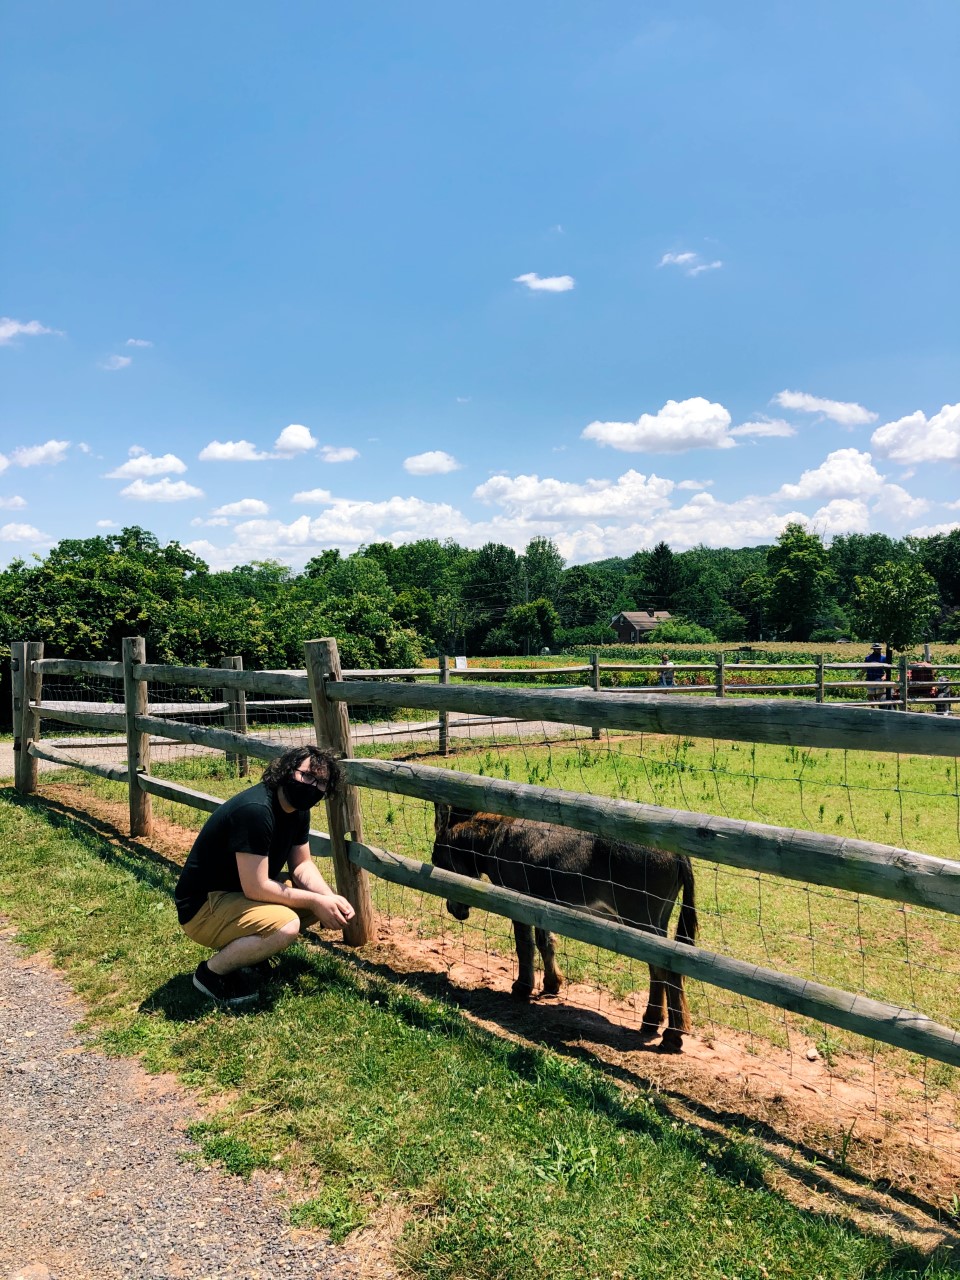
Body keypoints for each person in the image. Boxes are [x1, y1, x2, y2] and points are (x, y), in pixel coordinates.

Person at [175, 745, 356, 1005]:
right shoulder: (257, 810)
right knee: (287, 924)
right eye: (307, 776)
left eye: (321, 783)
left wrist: (328, 899)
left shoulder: (298, 811)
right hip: (203, 908)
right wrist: (316, 901)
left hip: (234, 895)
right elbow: (256, 888)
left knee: (314, 902)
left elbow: (302, 865)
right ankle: (211, 974)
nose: (313, 786)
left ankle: (250, 956)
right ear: (287, 771)